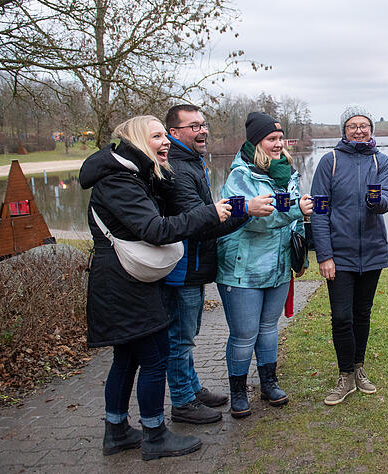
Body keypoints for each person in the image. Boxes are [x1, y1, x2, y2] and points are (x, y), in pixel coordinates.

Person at [79, 116, 232, 460]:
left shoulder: (134, 175)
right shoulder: (120, 182)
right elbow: (156, 230)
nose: (166, 142)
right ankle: (155, 435)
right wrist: (210, 213)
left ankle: (116, 431)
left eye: (165, 135)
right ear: (137, 140)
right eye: (157, 136)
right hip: (125, 286)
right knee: (155, 357)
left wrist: (161, 172)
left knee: (127, 358)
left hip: (120, 281)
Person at [161, 104, 275, 425]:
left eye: (203, 124)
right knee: (180, 338)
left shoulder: (192, 162)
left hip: (194, 266)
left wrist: (236, 211)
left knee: (189, 333)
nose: (203, 131)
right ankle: (182, 402)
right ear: (174, 133)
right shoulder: (178, 169)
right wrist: (246, 210)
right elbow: (201, 223)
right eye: (194, 126)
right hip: (182, 267)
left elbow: (208, 213)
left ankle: (192, 388)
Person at [216, 112, 313, 418]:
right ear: (257, 142)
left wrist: (299, 256)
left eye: (280, 138)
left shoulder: (287, 173)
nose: (278, 144)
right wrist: (296, 210)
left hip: (278, 267)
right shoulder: (240, 176)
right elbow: (256, 221)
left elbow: (295, 223)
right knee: (244, 334)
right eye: (271, 139)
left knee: (269, 328)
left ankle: (269, 383)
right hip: (242, 269)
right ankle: (238, 391)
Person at [310, 104, 388, 406]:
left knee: (362, 313)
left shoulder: (381, 160)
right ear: (344, 131)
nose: (359, 130)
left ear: (371, 129)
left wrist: (376, 201)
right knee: (342, 316)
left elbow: (387, 200)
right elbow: (319, 211)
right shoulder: (329, 161)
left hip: (372, 251)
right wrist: (324, 255)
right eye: (352, 126)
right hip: (339, 254)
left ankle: (359, 368)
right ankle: (345, 375)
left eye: (364, 125)